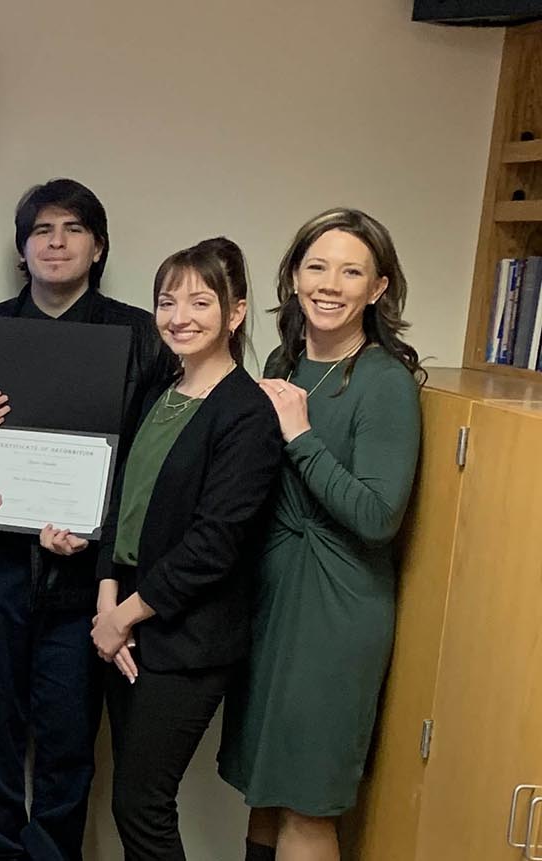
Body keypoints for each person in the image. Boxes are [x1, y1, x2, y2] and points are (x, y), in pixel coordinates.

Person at [0, 179, 178, 861]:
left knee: (70, 742)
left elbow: (154, 465)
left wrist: (94, 527)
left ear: (98, 247)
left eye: (74, 229)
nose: (57, 241)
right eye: (42, 229)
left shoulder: (141, 340)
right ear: (22, 248)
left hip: (85, 584)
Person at [62, 237, 282, 860]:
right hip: (126, 621)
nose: (178, 317)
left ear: (235, 313)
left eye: (200, 302)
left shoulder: (246, 412)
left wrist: (124, 617)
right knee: (131, 802)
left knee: (142, 805)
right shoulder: (161, 391)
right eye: (166, 301)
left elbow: (214, 545)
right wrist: (108, 602)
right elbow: (121, 502)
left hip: (185, 639)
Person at [219, 209, 423, 861]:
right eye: (317, 266)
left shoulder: (385, 383)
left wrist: (301, 436)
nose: (331, 283)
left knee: (308, 802)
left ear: (378, 288)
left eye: (352, 270)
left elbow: (376, 514)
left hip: (336, 610)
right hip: (273, 602)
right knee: (264, 793)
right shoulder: (285, 360)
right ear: (294, 276)